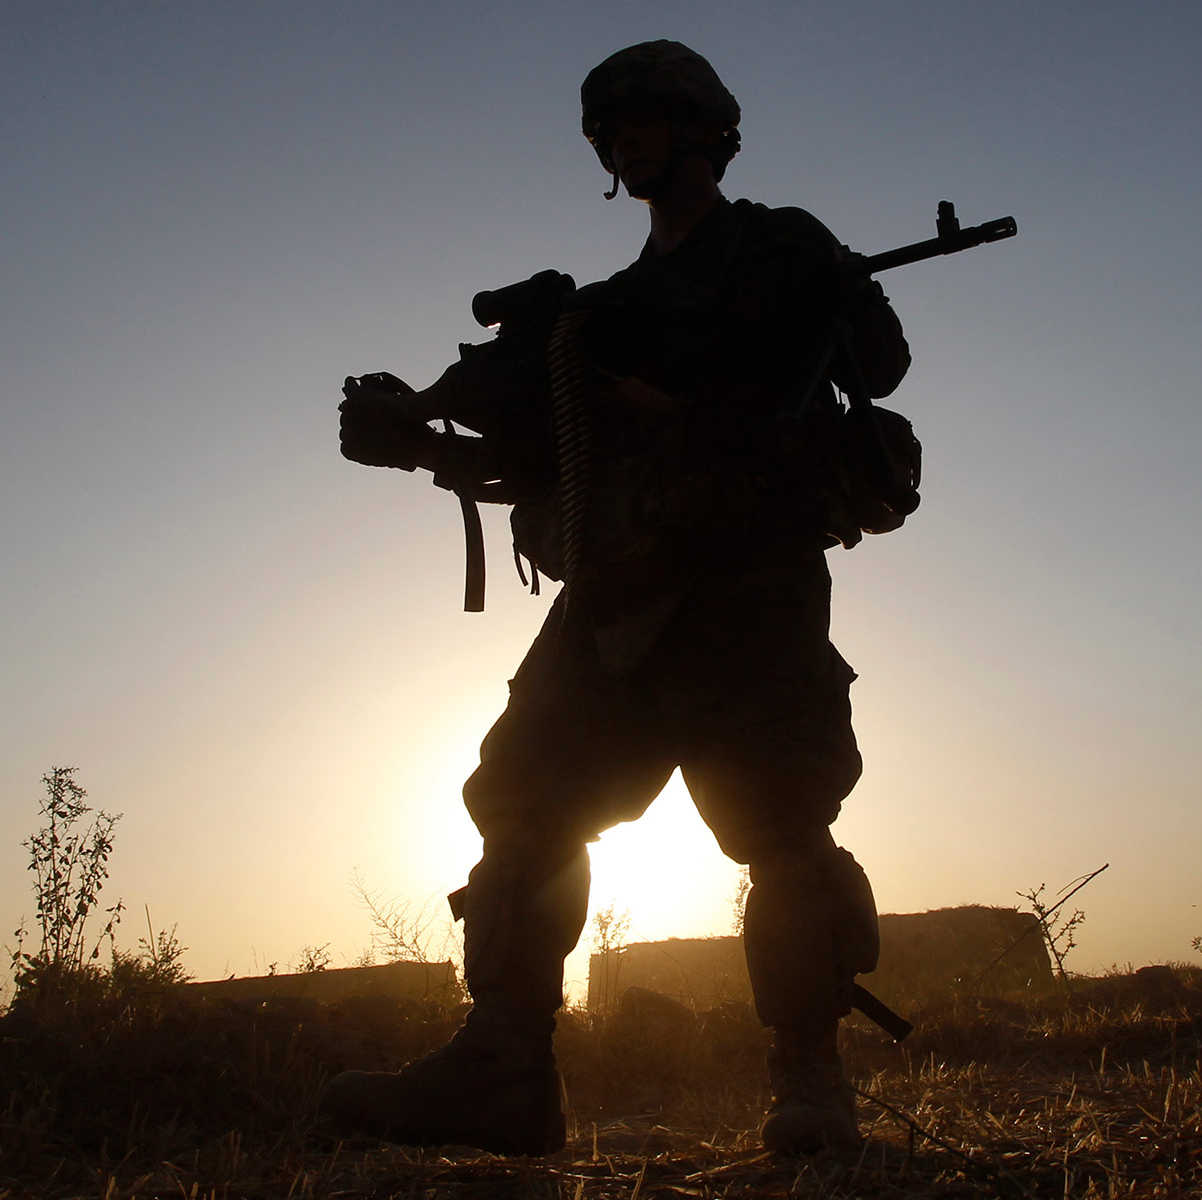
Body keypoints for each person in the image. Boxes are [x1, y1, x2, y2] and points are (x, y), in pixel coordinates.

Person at [326, 40, 911, 1156]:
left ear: (704, 130)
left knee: (779, 822)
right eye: (608, 127)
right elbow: (523, 430)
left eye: (646, 117)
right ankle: (502, 1071)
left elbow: (878, 366)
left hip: (742, 576)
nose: (622, 138)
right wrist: (416, 430)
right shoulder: (591, 316)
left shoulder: (775, 247)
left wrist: (828, 288)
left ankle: (809, 1085)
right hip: (613, 591)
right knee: (523, 803)